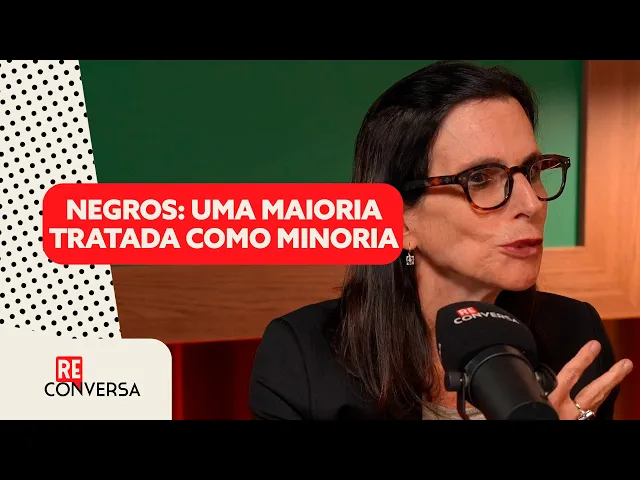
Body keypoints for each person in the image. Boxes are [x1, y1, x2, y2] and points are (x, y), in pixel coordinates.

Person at [248, 60, 633, 420]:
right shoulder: (300, 360)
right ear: (401, 222)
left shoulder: (576, 336)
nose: (531, 203)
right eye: (480, 178)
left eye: (532, 171)